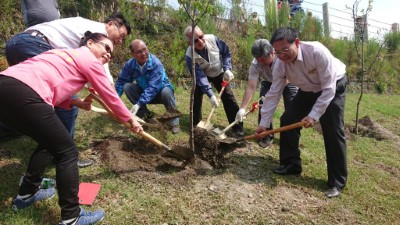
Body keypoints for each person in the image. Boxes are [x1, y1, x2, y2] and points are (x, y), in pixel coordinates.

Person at [0, 32, 143, 225]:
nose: (109, 54)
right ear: (90, 43)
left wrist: (75, 102)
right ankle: (72, 217)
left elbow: (50, 86)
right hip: (26, 93)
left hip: (7, 86)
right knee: (67, 152)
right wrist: (130, 118)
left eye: (112, 53)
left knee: (48, 142)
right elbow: (109, 94)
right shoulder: (88, 58)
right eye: (106, 48)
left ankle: (26, 195)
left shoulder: (62, 54)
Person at [4, 12, 131, 167]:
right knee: (66, 109)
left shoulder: (86, 28)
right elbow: (101, 72)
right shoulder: (99, 35)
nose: (120, 40)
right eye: (122, 35)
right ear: (110, 24)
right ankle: (63, 153)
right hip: (34, 43)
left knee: (24, 102)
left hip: (17, 43)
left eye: (123, 39)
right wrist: (123, 111)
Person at [255, 27, 348, 198]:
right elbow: (274, 93)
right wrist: (264, 123)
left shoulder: (317, 52)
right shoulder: (280, 64)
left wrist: (314, 116)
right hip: (307, 90)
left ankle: (337, 182)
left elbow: (328, 89)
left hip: (333, 86)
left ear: (296, 43)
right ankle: (291, 164)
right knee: (288, 119)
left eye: (285, 49)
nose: (282, 55)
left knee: (332, 130)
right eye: (277, 51)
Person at [236, 39, 297, 149]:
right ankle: (266, 135)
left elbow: (282, 84)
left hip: (288, 81)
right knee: (263, 104)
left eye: (263, 60)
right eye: (258, 60)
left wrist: (273, 95)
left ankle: (290, 138)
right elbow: (251, 86)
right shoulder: (255, 64)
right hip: (269, 81)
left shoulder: (282, 58)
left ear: (272, 53)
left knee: (292, 108)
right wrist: (242, 108)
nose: (261, 62)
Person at [183, 25, 243, 137]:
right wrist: (211, 95)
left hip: (219, 72)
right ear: (190, 44)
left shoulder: (214, 40)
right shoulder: (189, 56)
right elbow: (200, 77)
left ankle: (237, 129)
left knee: (228, 96)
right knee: (195, 96)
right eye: (195, 41)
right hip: (203, 75)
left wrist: (227, 69)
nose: (200, 41)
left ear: (203, 33)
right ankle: (196, 125)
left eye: (201, 36)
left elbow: (226, 53)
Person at [115, 39, 181, 134]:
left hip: (160, 94)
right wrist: (115, 98)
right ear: (133, 54)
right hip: (145, 92)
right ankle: (146, 115)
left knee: (166, 92)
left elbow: (154, 87)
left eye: (144, 49)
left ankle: (174, 123)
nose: (143, 53)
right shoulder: (130, 65)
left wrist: (138, 103)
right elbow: (122, 81)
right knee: (127, 87)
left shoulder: (156, 64)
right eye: (139, 52)